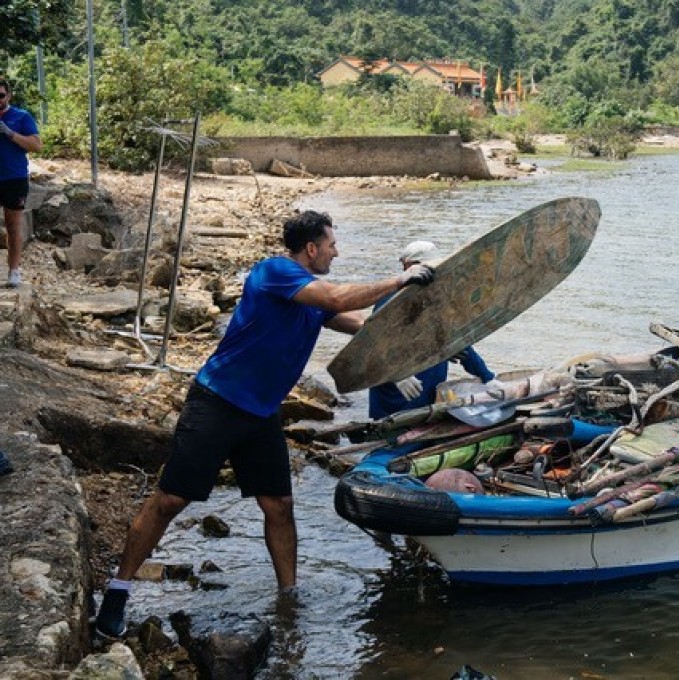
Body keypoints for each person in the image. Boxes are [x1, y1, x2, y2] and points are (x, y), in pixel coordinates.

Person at [93, 210, 435, 639]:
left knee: (279, 506)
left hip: (261, 415)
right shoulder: (274, 272)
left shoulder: (309, 300)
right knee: (170, 501)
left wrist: (399, 354)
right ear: (311, 249)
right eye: (331, 244)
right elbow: (336, 299)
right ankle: (118, 589)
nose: (336, 251)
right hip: (217, 402)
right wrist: (400, 280)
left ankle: (288, 596)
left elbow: (360, 323)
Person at [367, 240, 497, 419]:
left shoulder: (437, 299)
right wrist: (397, 375)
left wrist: (488, 378)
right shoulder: (388, 300)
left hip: (427, 396)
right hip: (395, 399)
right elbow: (371, 349)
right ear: (407, 267)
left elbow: (459, 342)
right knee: (394, 437)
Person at [0, 77, 42, 288]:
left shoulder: (21, 116)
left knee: (13, 226)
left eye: (0, 95)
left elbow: (36, 145)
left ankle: (14, 270)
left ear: (8, 96)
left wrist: (9, 133)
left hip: (13, 178)